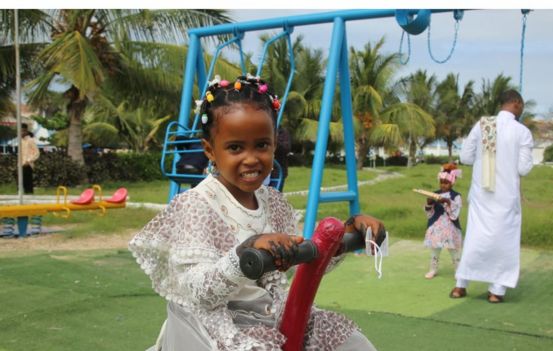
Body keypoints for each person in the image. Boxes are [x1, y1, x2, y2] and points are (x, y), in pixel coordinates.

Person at [129, 74, 385, 350]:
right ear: (210, 150)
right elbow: (197, 290)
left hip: (268, 314)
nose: (251, 158)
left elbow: (300, 265)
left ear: (274, 143)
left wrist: (342, 239)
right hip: (214, 323)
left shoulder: (272, 202)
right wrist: (244, 253)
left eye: (261, 145)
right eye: (235, 147)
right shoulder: (197, 205)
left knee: (351, 344)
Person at [450, 89, 534, 303]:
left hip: (482, 194)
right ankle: (496, 291)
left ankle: (460, 286)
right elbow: (524, 169)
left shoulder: (483, 125)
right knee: (504, 242)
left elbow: (466, 157)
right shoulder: (522, 131)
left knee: (475, 238)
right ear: (516, 103)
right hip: (506, 198)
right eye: (522, 105)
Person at [423, 163, 463, 279]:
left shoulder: (456, 196)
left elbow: (455, 212)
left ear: (452, 182)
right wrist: (429, 204)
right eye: (441, 182)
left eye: (446, 183)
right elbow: (430, 213)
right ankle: (433, 269)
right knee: (435, 249)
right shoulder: (435, 193)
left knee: (453, 249)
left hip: (450, 227)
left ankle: (458, 271)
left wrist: (448, 202)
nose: (443, 185)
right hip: (437, 226)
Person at [20, 123, 40, 194]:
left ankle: (30, 196)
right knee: (21, 182)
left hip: (28, 164)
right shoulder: (20, 141)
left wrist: (28, 161)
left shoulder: (30, 140)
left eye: (23, 131)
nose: (21, 133)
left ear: (26, 131)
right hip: (21, 164)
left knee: (28, 182)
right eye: (20, 131)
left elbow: (37, 153)